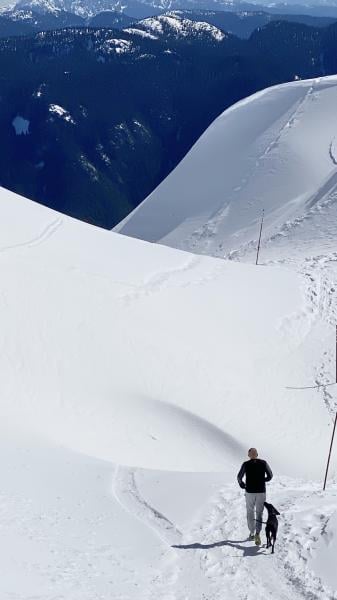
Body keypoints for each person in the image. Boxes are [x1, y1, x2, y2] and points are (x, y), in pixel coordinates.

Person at [237, 448, 273, 546]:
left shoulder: (245, 464)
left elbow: (239, 477)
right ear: (257, 454)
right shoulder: (264, 463)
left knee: (250, 512)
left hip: (249, 492)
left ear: (249, 455)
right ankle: (257, 533)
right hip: (261, 491)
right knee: (259, 513)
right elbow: (270, 476)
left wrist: (242, 485)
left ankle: (252, 533)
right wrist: (262, 480)